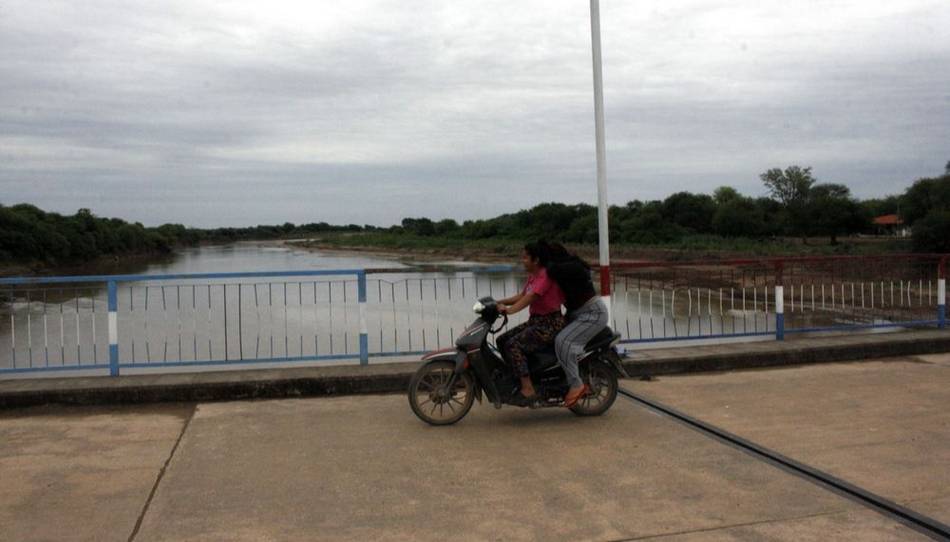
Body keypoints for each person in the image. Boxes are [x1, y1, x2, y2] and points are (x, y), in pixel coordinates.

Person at [495, 241, 566, 402]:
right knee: (502, 340)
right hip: (536, 322)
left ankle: (528, 387)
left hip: (549, 324)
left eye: (526, 257)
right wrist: (499, 302)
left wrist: (509, 311)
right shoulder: (533, 276)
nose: (523, 260)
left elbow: (530, 297)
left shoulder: (545, 276)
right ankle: (517, 375)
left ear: (536, 260)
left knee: (513, 345)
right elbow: (522, 295)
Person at [546, 243, 608, 407]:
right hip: (576, 314)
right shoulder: (566, 267)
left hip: (592, 314)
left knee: (563, 341)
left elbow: (552, 270)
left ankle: (576, 384)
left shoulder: (572, 267)